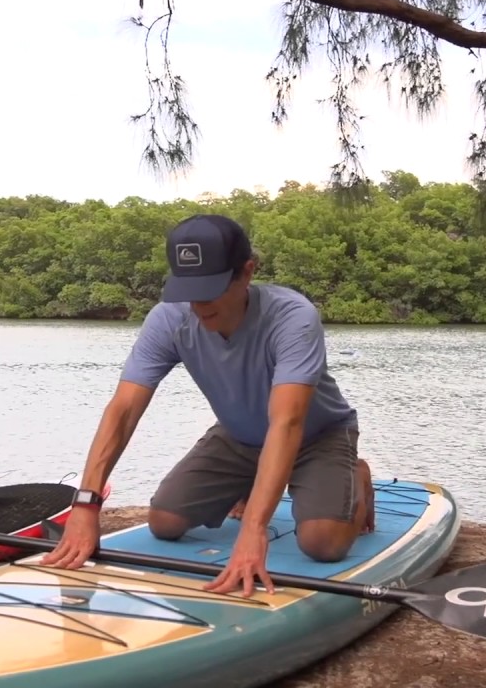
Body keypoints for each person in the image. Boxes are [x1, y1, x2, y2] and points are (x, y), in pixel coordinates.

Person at [40, 213, 374, 598]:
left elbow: (288, 422)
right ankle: (247, 481)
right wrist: (86, 504)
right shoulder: (168, 319)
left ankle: (358, 479)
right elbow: (124, 410)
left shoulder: (293, 317)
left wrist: (253, 529)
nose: (198, 304)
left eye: (211, 288)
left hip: (316, 435)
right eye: (188, 288)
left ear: (247, 272)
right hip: (240, 436)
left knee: (322, 544)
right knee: (164, 521)